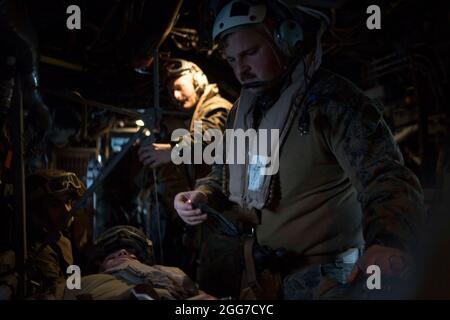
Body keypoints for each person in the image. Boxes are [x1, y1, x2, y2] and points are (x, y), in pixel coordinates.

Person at [173, 0, 425, 299]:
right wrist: (202, 194)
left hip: (328, 281)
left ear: (287, 40)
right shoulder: (242, 111)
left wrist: (387, 241)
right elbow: (224, 171)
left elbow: (384, 178)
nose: (241, 69)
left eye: (250, 53)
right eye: (231, 60)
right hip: (264, 280)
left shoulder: (331, 103)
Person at [137, 59, 232, 270]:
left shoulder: (216, 107)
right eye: (172, 92)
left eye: (179, 87)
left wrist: (172, 151)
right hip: (211, 208)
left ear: (197, 81)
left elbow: (210, 137)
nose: (176, 96)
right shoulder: (199, 114)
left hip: (224, 212)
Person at [63, 225, 215, 300]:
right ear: (99, 266)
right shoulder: (81, 281)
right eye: (112, 256)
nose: (123, 253)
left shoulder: (169, 272)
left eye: (131, 254)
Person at [25, 169, 86, 299]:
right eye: (55, 204)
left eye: (68, 202)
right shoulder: (31, 248)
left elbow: (74, 286)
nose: (67, 210)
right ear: (36, 209)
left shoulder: (63, 240)